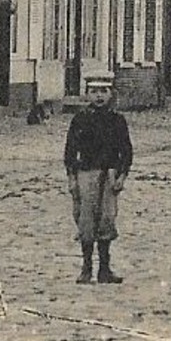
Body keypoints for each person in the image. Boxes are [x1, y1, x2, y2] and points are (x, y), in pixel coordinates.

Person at [63, 71, 134, 283]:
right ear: (87, 95)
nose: (99, 96)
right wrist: (72, 177)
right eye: (94, 92)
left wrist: (122, 175)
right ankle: (86, 268)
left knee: (106, 220)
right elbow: (70, 151)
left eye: (104, 91)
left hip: (110, 175)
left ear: (111, 94)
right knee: (86, 221)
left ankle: (105, 269)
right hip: (86, 173)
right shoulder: (80, 119)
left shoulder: (117, 121)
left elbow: (126, 151)